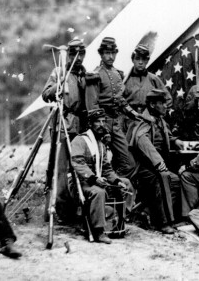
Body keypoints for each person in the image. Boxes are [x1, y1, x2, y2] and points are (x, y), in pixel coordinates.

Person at [41, 37, 88, 221]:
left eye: (80, 54)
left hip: (81, 127)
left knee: (79, 167)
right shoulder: (59, 71)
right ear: (68, 54)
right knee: (60, 170)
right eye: (73, 53)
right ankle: (58, 211)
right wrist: (57, 88)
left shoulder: (84, 74)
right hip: (63, 125)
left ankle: (77, 208)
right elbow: (45, 94)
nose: (77, 58)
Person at [71, 110, 133, 244]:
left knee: (126, 183)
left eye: (103, 121)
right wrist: (94, 179)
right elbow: (78, 163)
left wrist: (116, 181)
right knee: (99, 192)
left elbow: (106, 168)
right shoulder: (80, 140)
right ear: (90, 123)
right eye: (97, 121)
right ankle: (98, 231)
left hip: (98, 179)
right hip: (82, 182)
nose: (101, 124)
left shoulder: (101, 143)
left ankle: (118, 220)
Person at [126, 89, 184, 234]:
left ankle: (152, 212)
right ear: (152, 104)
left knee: (176, 180)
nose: (166, 106)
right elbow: (142, 141)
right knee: (161, 179)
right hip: (142, 166)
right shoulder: (142, 121)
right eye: (162, 103)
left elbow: (165, 136)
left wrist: (175, 141)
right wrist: (158, 162)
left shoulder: (160, 121)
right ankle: (162, 223)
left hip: (156, 165)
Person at [85, 37, 137, 178]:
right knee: (99, 164)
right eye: (107, 53)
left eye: (113, 53)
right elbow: (92, 106)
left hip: (116, 123)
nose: (111, 56)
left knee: (129, 163)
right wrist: (102, 131)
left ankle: (115, 187)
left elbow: (120, 99)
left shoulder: (117, 74)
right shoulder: (95, 75)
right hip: (101, 124)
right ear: (101, 54)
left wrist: (133, 113)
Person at [124, 44, 172, 114]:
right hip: (130, 119)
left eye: (143, 59)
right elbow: (118, 101)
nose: (140, 62)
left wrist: (157, 113)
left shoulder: (154, 79)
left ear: (147, 60)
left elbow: (168, 99)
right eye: (137, 58)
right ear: (133, 60)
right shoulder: (125, 80)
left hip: (150, 119)